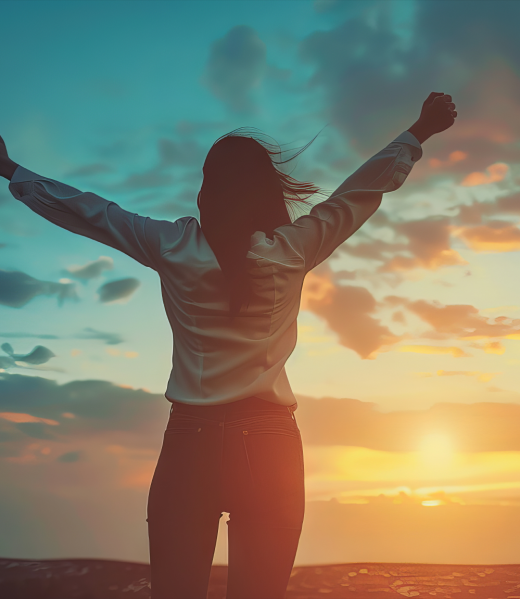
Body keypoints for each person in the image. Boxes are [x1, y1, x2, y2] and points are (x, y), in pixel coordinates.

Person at [0, 91, 456, 599]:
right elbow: (359, 192)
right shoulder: (294, 248)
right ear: (266, 190)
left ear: (207, 191)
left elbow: (92, 213)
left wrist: (10, 170)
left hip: (189, 444)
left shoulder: (171, 245)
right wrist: (417, 133)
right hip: (270, 447)